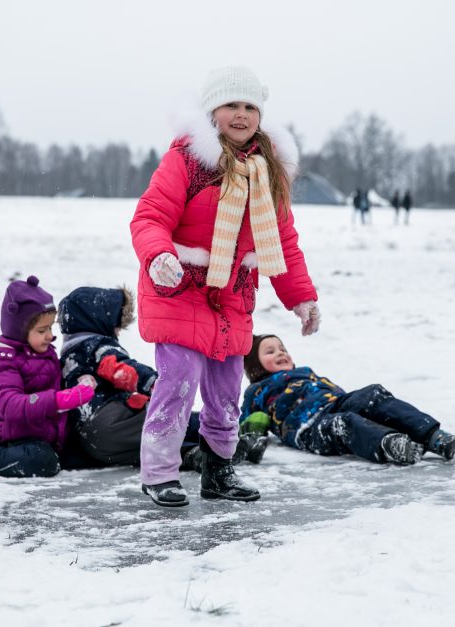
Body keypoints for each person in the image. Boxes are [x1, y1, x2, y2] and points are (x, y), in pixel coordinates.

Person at [130, 66, 320, 507]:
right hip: (179, 288)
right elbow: (150, 217)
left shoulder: (267, 173)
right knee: (178, 381)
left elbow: (284, 242)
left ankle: (218, 470)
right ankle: (159, 473)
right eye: (231, 105)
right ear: (212, 113)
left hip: (232, 297)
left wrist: (302, 297)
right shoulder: (187, 160)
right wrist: (159, 255)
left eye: (250, 106)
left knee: (225, 392)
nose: (241, 114)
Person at [56, 285, 266, 469]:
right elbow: (122, 369)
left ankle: (194, 457)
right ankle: (235, 444)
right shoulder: (97, 346)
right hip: (114, 418)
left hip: (92, 440)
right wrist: (158, 384)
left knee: (152, 450)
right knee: (175, 420)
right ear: (96, 319)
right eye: (115, 324)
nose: (117, 331)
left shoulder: (68, 355)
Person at [240, 334, 455, 465]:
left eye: (282, 348)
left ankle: (432, 436)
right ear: (255, 367)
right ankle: (390, 444)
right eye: (270, 352)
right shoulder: (258, 391)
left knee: (373, 395)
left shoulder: (304, 372)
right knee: (344, 423)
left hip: (335, 402)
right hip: (306, 427)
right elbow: (252, 420)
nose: (280, 353)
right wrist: (252, 438)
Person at [0, 276, 95, 478]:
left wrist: (82, 379)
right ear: (19, 331)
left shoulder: (46, 354)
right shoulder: (3, 362)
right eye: (41, 330)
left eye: (50, 328)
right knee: (42, 461)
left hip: (48, 434)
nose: (50, 335)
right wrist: (58, 400)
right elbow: (10, 404)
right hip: (17, 437)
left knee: (87, 453)